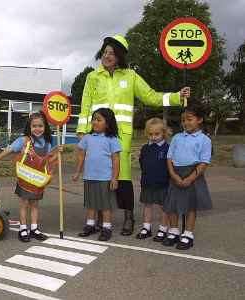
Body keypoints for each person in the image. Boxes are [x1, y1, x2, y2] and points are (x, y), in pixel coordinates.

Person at [76, 34, 191, 236]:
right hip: (96, 136)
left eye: (111, 53)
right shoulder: (92, 77)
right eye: (104, 52)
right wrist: (82, 130)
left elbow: (150, 96)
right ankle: (99, 219)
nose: (107, 56)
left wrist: (176, 96)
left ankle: (129, 217)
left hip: (121, 135)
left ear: (120, 55)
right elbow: (86, 105)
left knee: (123, 176)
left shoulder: (130, 76)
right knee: (99, 175)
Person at [0, 111, 62, 242]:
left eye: (40, 126)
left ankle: (34, 228)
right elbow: (9, 150)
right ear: (29, 127)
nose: (37, 129)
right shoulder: (24, 140)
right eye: (34, 126)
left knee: (35, 204)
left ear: (45, 127)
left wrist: (58, 153)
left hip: (38, 180)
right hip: (25, 178)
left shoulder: (47, 143)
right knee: (24, 204)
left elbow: (48, 160)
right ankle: (23, 228)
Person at [163, 104, 212, 250]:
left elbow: (204, 162)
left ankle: (188, 234)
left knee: (191, 206)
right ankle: (173, 231)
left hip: (193, 174)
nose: (185, 123)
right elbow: (169, 157)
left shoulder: (204, 140)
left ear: (200, 120)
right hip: (175, 174)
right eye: (183, 120)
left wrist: (190, 178)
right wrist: (173, 175)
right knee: (172, 204)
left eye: (189, 119)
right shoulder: (177, 137)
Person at [72, 108, 121, 241]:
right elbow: (81, 156)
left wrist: (114, 178)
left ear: (108, 123)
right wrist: (77, 172)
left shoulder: (112, 139)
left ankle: (106, 228)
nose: (95, 122)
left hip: (105, 178)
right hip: (89, 177)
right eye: (94, 119)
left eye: (99, 120)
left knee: (105, 205)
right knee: (90, 203)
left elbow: (116, 159)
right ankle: (90, 225)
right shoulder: (87, 138)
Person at [136, 118, 170, 242]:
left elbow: (170, 165)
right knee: (147, 205)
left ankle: (163, 229)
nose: (154, 137)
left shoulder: (167, 148)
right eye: (150, 134)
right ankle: (146, 227)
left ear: (164, 133)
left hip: (163, 183)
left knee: (163, 207)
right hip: (147, 182)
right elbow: (142, 162)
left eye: (157, 134)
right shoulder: (145, 148)